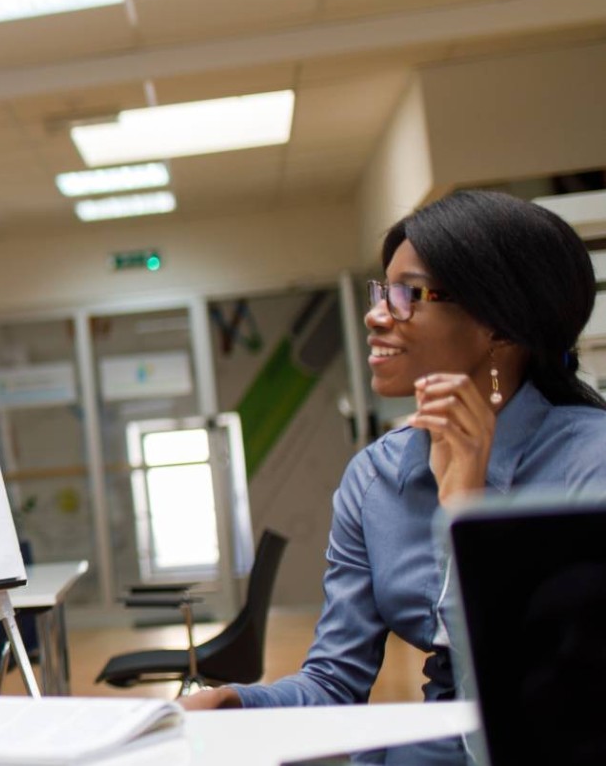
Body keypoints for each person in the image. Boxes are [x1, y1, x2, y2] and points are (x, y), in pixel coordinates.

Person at [179, 191, 606, 763]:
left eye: (410, 294)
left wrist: (465, 512)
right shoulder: (374, 477)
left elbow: (557, 695)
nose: (376, 314)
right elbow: (334, 683)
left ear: (500, 327)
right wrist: (236, 705)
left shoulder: (590, 463)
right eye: (383, 291)